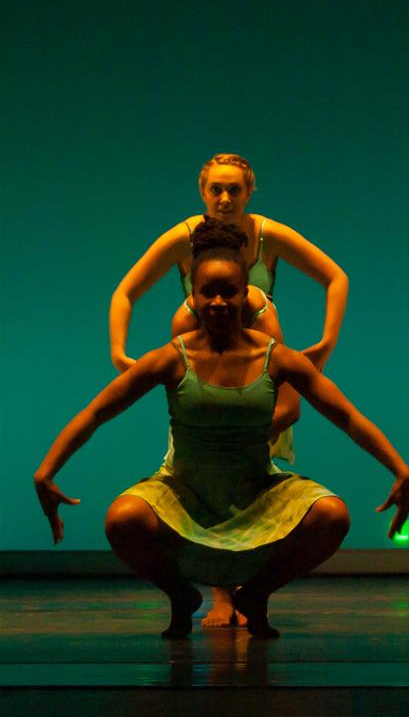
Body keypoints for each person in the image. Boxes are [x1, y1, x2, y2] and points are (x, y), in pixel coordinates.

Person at [36, 222, 409, 640]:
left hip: (256, 490)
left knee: (331, 515)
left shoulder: (276, 358)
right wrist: (47, 471)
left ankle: (254, 596)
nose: (218, 302)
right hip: (184, 492)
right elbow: (96, 412)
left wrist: (400, 470)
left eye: (229, 292)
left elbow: (347, 416)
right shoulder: (171, 358)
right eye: (208, 293)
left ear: (244, 294)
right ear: (193, 298)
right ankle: (183, 597)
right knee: (123, 520)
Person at [109, 152, 349, 626]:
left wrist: (326, 340)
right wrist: (120, 353)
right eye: (215, 189)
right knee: (208, 485)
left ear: (249, 191)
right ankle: (222, 599)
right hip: (206, 378)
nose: (224, 198)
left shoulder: (266, 237)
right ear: (202, 191)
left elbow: (334, 276)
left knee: (261, 489)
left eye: (234, 189)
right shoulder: (185, 240)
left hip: (258, 370)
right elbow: (126, 291)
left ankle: (253, 593)